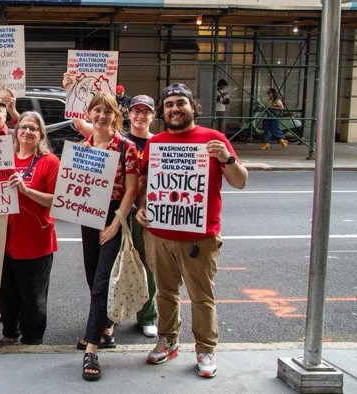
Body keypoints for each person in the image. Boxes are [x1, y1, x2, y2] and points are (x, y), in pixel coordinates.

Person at [136, 83, 248, 378]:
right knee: (165, 293)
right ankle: (167, 341)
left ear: (192, 107)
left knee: (201, 296)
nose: (175, 108)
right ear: (163, 111)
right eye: (169, 104)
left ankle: (205, 348)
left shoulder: (214, 139)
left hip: (200, 237)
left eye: (180, 103)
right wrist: (142, 208)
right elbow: (145, 184)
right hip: (159, 235)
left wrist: (226, 157)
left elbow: (240, 181)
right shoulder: (155, 143)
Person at [75, 93, 139, 382]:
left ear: (116, 115)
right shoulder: (82, 147)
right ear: (89, 114)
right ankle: (107, 328)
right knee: (93, 277)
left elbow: (131, 189)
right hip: (89, 214)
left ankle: (92, 347)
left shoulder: (126, 147)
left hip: (114, 214)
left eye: (107, 111)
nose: (101, 115)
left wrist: (117, 223)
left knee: (102, 282)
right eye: (96, 110)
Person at [0, 111, 60, 347]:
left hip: (36, 241)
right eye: (23, 127)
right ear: (16, 131)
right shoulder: (5, 159)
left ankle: (33, 338)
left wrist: (26, 191)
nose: (27, 132)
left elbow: (56, 200)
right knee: (7, 295)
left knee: (33, 297)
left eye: (33, 128)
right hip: (4, 241)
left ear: (41, 134)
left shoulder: (49, 162)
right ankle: (10, 334)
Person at [126, 95, 159, 338]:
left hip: (145, 213)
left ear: (153, 116)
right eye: (136, 110)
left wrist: (144, 206)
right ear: (128, 114)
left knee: (147, 265)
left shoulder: (159, 144)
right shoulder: (117, 140)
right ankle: (110, 317)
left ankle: (147, 315)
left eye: (145, 111)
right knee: (111, 265)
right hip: (116, 211)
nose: (140, 115)